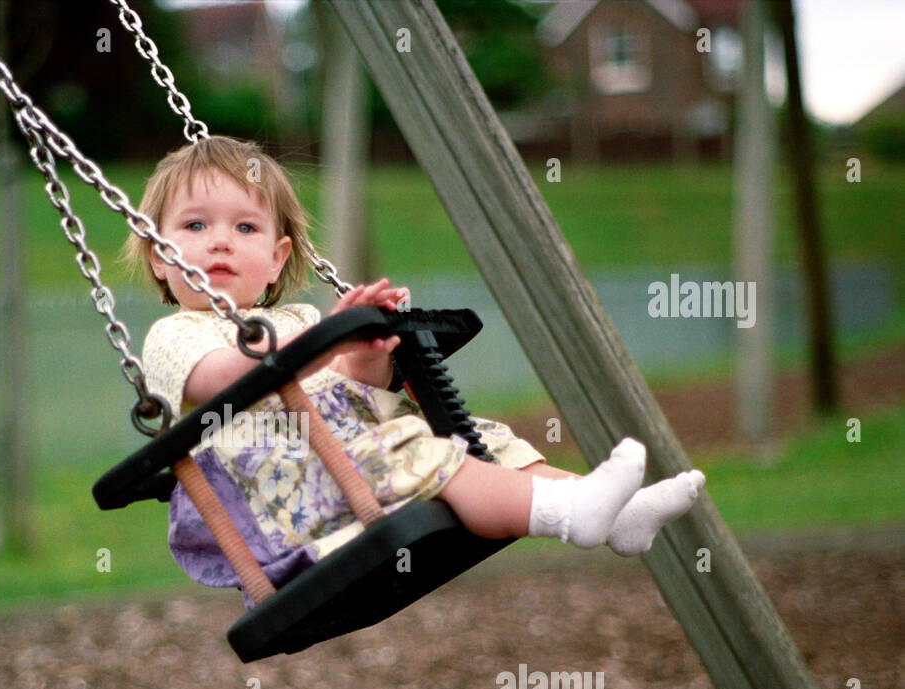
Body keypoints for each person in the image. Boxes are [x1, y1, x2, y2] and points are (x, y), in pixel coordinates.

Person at [125, 136, 703, 601]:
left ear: (277, 259)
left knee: (481, 440)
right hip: (280, 503)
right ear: (158, 251)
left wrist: (365, 349)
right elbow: (228, 380)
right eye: (195, 227)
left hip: (347, 468)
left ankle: (618, 514)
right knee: (408, 444)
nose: (220, 243)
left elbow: (355, 394)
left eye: (245, 227)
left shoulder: (300, 316)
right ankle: (571, 514)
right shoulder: (176, 334)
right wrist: (323, 338)